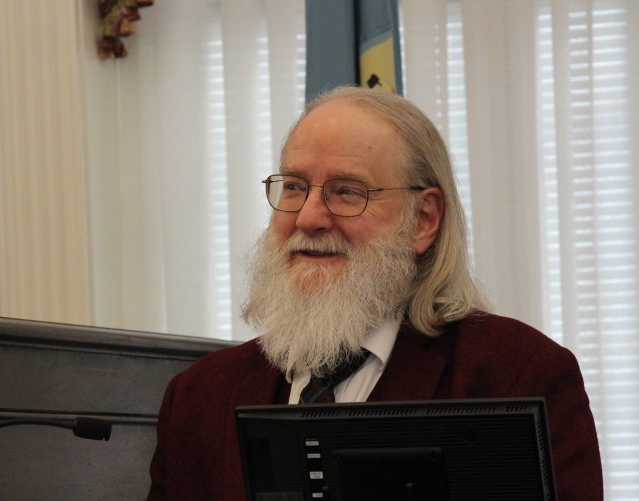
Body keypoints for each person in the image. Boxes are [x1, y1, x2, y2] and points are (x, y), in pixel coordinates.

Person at [146, 87, 603, 500]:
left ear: (423, 220)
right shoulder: (198, 397)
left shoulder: (517, 376)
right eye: (294, 187)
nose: (308, 218)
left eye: (347, 192)